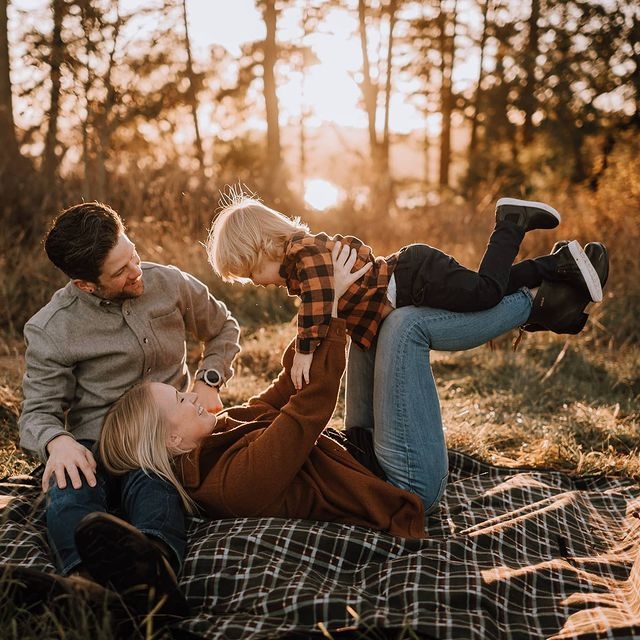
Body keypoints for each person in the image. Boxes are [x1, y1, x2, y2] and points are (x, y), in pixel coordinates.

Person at [97, 239, 609, 536]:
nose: (192, 393)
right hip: (400, 483)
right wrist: (335, 306)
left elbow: (280, 394)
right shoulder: (230, 484)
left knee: (382, 320)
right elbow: (308, 410)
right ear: (173, 442)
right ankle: (537, 305)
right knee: (406, 325)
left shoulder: (219, 432)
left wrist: (326, 321)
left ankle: (545, 298)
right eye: (182, 401)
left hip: (362, 453)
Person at [17, 201, 241, 618]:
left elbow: (224, 327)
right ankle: (82, 588)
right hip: (92, 441)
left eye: (132, 255)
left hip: (160, 433)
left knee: (155, 486)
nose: (135, 271)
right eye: (119, 272)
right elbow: (37, 413)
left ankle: (155, 573)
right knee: (70, 491)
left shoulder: (170, 283)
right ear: (85, 284)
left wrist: (209, 379)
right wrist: (57, 442)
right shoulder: (52, 328)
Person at [206, 192, 603, 389]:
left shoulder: (302, 253)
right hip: (411, 280)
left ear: (265, 245)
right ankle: (555, 266)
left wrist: (304, 352)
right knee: (486, 290)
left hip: (414, 276)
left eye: (252, 271)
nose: (256, 282)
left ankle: (511, 222)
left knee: (483, 295)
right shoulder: (302, 262)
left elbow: (317, 304)